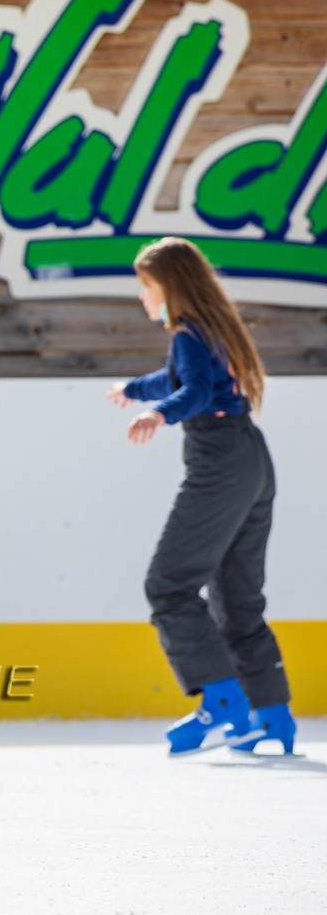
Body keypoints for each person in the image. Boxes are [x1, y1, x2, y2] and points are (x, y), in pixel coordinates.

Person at [108, 237, 293, 757]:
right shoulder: (213, 330)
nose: (143, 298)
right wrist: (136, 390)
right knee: (236, 598)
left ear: (171, 287)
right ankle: (273, 715)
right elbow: (181, 379)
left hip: (221, 465)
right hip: (252, 457)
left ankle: (223, 699)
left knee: (168, 585)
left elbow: (191, 392)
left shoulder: (188, 333)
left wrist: (158, 413)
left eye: (146, 286)